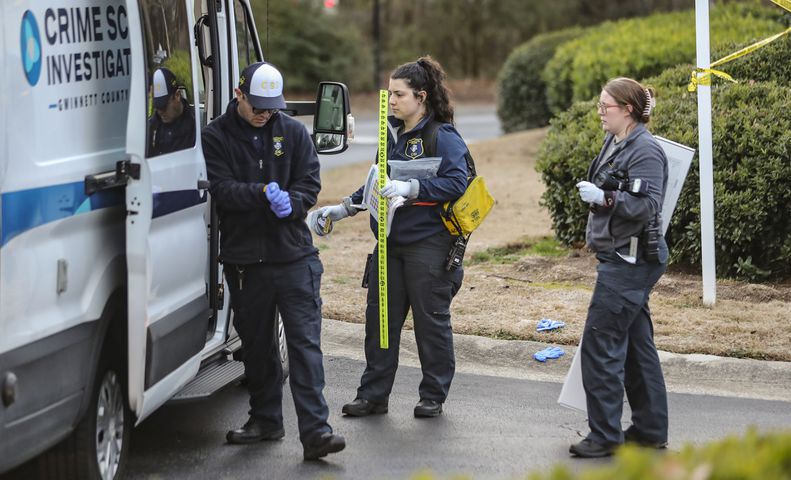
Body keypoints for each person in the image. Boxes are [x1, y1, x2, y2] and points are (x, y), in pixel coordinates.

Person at [202, 62, 345, 461]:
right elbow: (222, 190)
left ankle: (316, 432)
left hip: (293, 255)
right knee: (258, 347)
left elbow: (309, 184)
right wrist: (262, 193)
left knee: (303, 345)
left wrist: (293, 203)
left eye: (271, 107)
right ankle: (265, 420)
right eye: (257, 106)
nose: (265, 114)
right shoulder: (216, 135)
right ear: (239, 94)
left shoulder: (294, 133)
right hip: (246, 260)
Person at [316, 56, 468, 418]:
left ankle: (432, 396)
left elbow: (457, 182)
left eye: (399, 94)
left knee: (430, 323)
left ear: (421, 97)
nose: (393, 100)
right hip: (388, 244)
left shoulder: (440, 136)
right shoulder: (389, 134)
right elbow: (376, 181)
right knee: (379, 321)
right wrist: (344, 208)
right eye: (390, 94)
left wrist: (412, 186)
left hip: (429, 247)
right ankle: (373, 395)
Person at [570, 77, 669, 458]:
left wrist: (605, 197)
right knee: (637, 348)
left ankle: (605, 437)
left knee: (602, 343)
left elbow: (647, 206)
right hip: (623, 257)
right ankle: (648, 430)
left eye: (605, 106)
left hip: (631, 261)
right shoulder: (616, 140)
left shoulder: (645, 149)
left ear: (627, 109)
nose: (599, 111)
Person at [148, 67, 195, 156]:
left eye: (163, 106)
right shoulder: (151, 128)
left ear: (177, 96)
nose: (160, 112)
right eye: (157, 107)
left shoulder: (195, 125)